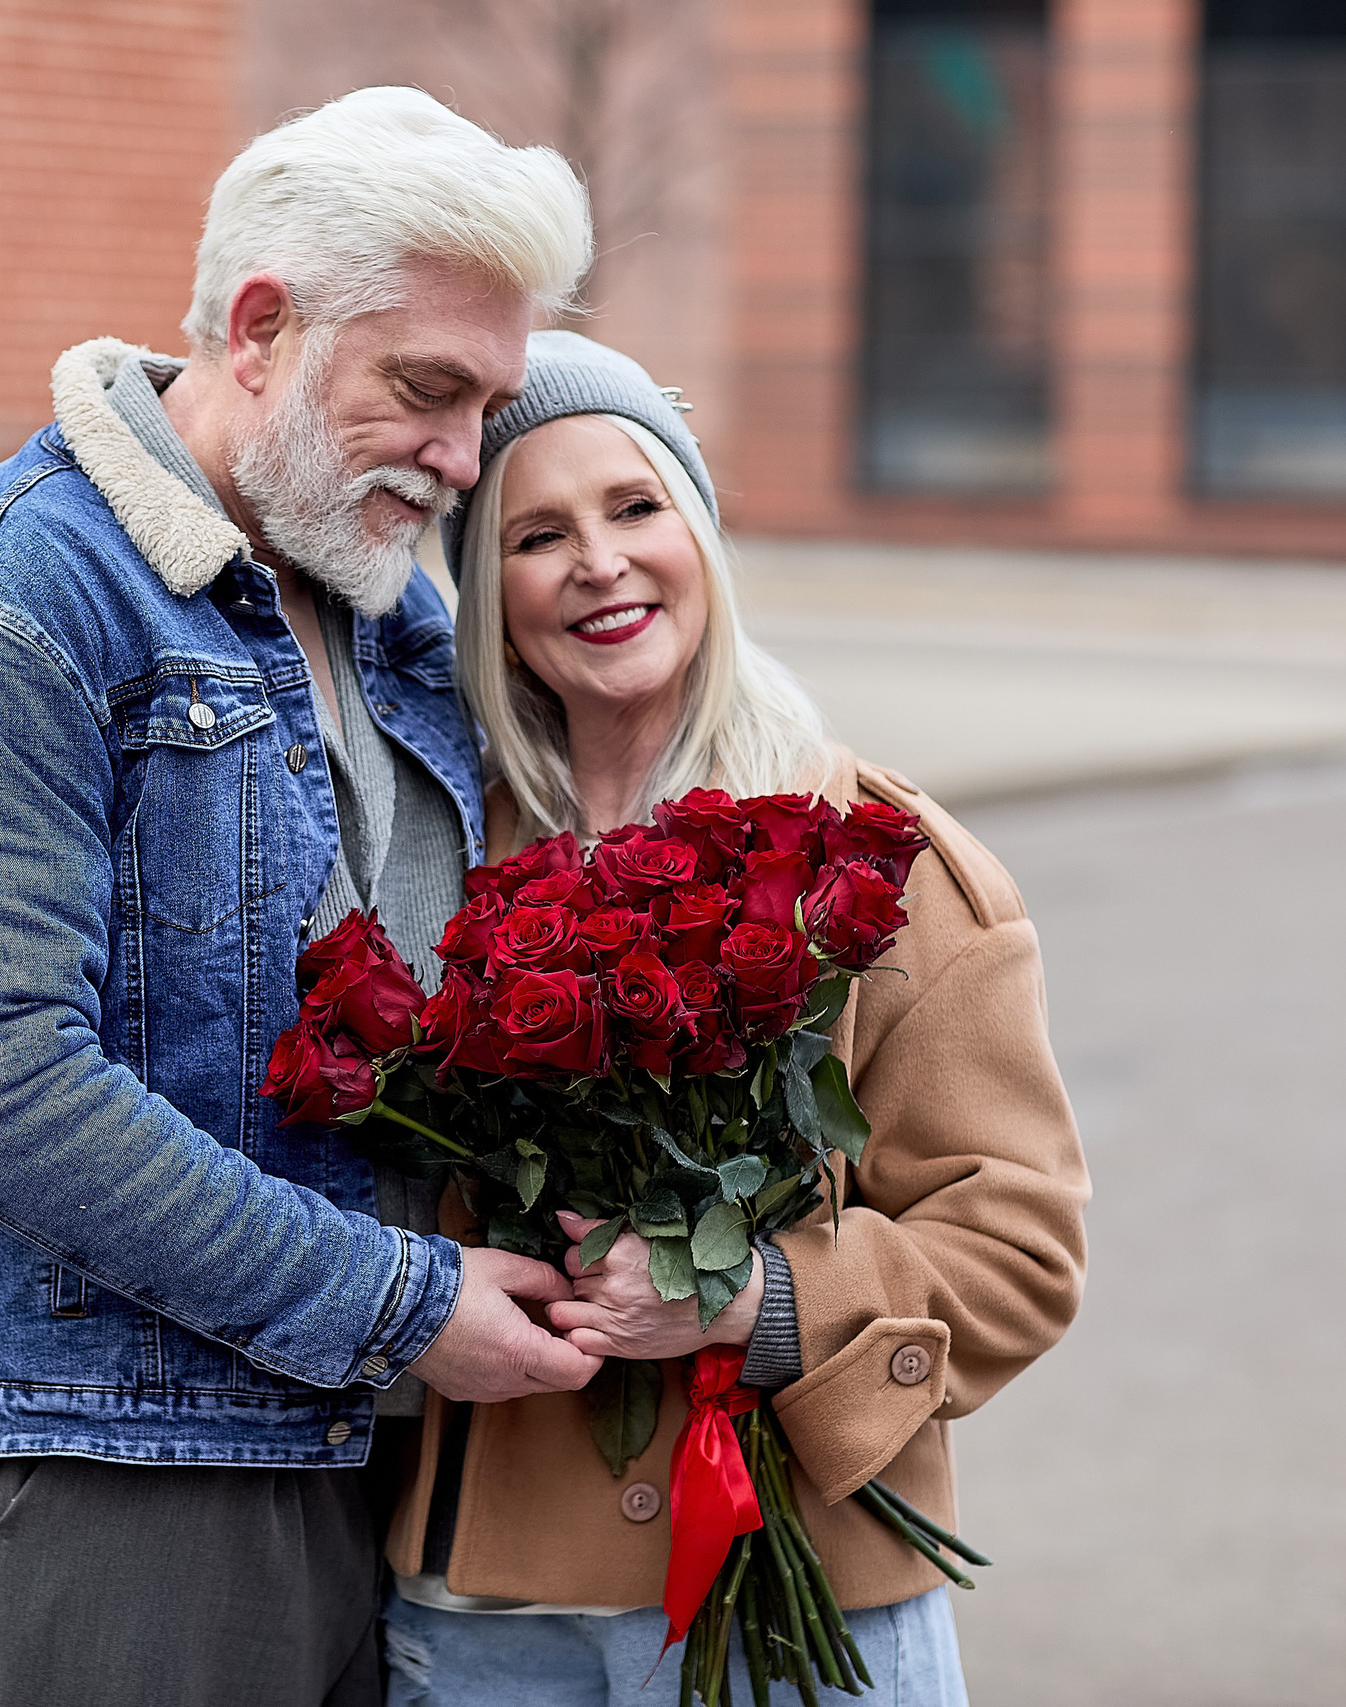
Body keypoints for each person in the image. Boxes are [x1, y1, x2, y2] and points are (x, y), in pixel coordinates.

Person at [0, 90, 604, 1707]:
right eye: (428, 391)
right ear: (260, 328)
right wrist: (397, 1303)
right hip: (123, 1468)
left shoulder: (380, 593)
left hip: (382, 1464)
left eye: (488, 401)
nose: (465, 459)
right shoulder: (7, 604)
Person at [370, 332, 1090, 1704]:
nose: (598, 561)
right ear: (485, 594)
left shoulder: (880, 866)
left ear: (700, 533)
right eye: (535, 534)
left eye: (637, 508)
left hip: (794, 1596)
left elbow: (1020, 1249)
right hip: (479, 1618)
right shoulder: (430, 864)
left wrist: (747, 1299)